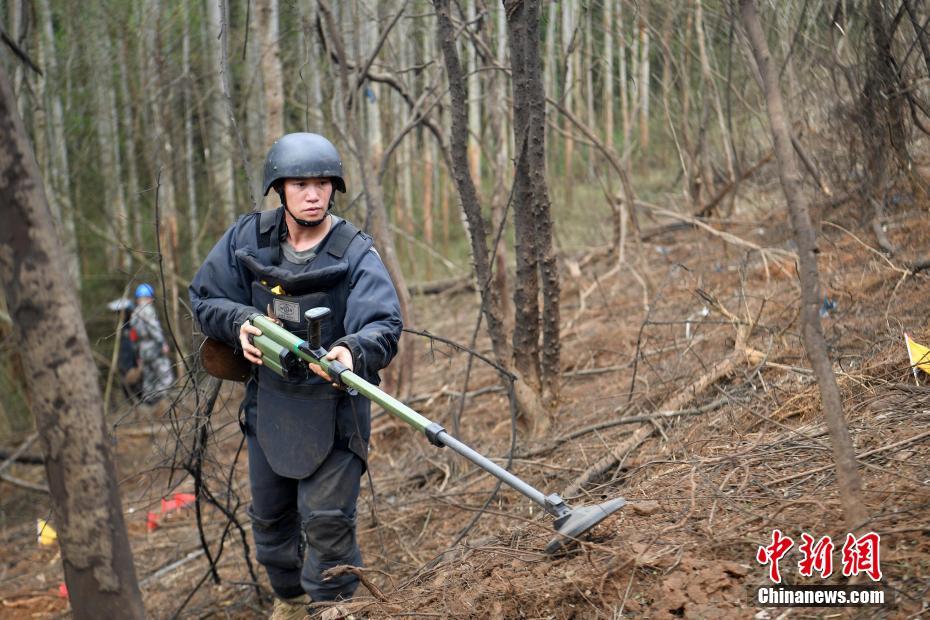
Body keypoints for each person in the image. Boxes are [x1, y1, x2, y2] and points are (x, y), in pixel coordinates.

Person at [189, 133, 402, 618]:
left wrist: (352, 351)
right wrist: (242, 323)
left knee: (327, 527)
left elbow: (384, 323)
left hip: (335, 411)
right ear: (279, 188)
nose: (313, 194)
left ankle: (336, 608)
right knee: (271, 529)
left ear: (334, 188)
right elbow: (204, 298)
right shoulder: (248, 238)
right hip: (270, 407)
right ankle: (292, 601)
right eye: (301, 183)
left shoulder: (355, 251)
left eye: (323, 183)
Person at [130, 283, 175, 404]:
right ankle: (163, 403)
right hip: (153, 347)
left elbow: (133, 337)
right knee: (165, 375)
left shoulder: (134, 314)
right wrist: (162, 344)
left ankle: (149, 406)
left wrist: (138, 355)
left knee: (149, 379)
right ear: (149, 297)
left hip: (142, 350)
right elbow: (154, 329)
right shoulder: (148, 311)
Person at [106, 297, 143, 401]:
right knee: (127, 389)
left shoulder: (133, 326)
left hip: (132, 364)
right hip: (124, 365)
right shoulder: (122, 328)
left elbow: (136, 346)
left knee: (136, 388)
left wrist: (137, 364)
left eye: (120, 312)